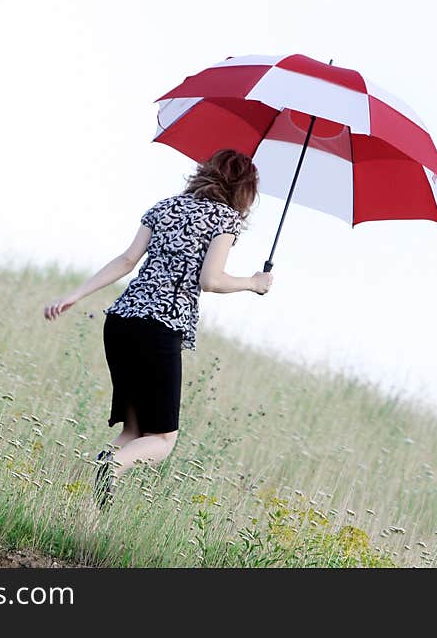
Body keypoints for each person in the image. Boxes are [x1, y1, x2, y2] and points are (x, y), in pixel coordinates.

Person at [44, 149, 274, 506]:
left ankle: (84, 506)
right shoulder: (225, 219)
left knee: (134, 431)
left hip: (120, 322)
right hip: (159, 328)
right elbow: (211, 280)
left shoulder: (164, 207)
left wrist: (76, 294)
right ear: (244, 190)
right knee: (163, 441)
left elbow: (126, 260)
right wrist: (253, 282)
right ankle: (110, 467)